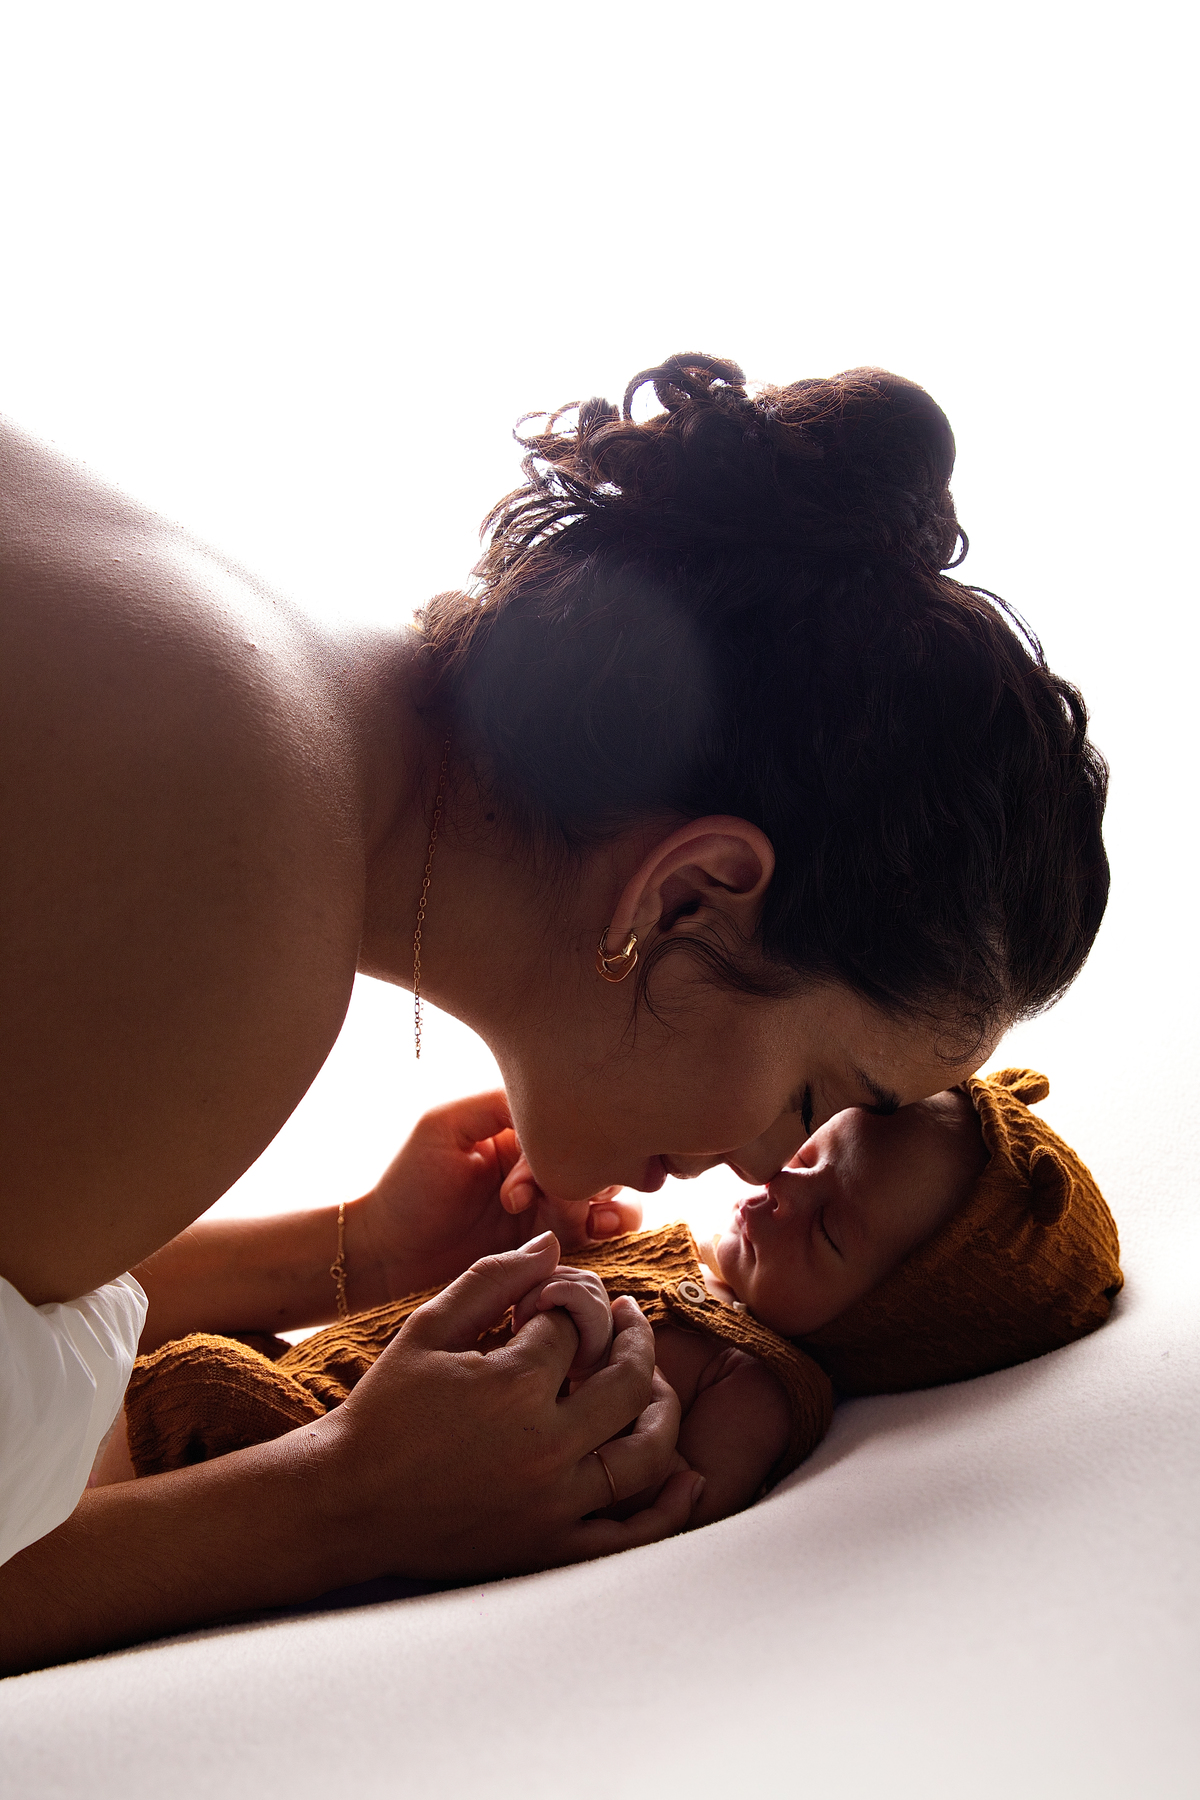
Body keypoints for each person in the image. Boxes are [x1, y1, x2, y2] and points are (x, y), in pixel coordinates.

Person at [0, 353, 1110, 1672]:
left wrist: (353, 1253)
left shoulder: (255, 696)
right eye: (815, 1099)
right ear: (689, 895)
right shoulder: (233, 906)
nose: (769, 1166)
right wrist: (345, 1501)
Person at [100, 1069, 1122, 1540]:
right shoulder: (676, 1257)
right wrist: (519, 1241)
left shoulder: (754, 1381)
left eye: (832, 1234)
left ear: (882, 1327)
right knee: (186, 1348)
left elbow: (665, 1511)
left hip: (323, 1438)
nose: (782, 1183)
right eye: (815, 1148)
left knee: (193, 1385)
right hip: (331, 1388)